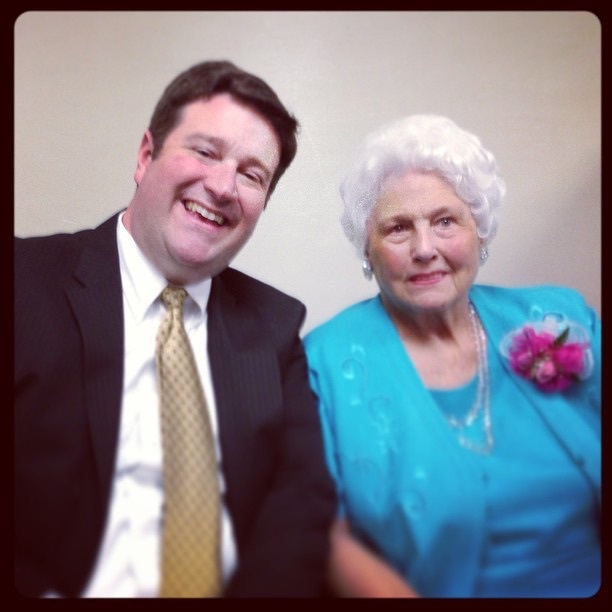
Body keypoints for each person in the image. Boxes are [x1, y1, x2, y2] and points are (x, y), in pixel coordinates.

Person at [14, 60, 336, 598]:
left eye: (252, 175)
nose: (223, 186)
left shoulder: (275, 327)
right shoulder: (21, 284)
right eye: (205, 152)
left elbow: (300, 504)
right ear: (146, 156)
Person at [304, 114, 601, 598]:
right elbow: (327, 536)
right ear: (367, 248)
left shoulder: (560, 319)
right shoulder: (325, 361)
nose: (425, 249)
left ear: (479, 230)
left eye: (445, 221)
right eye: (398, 228)